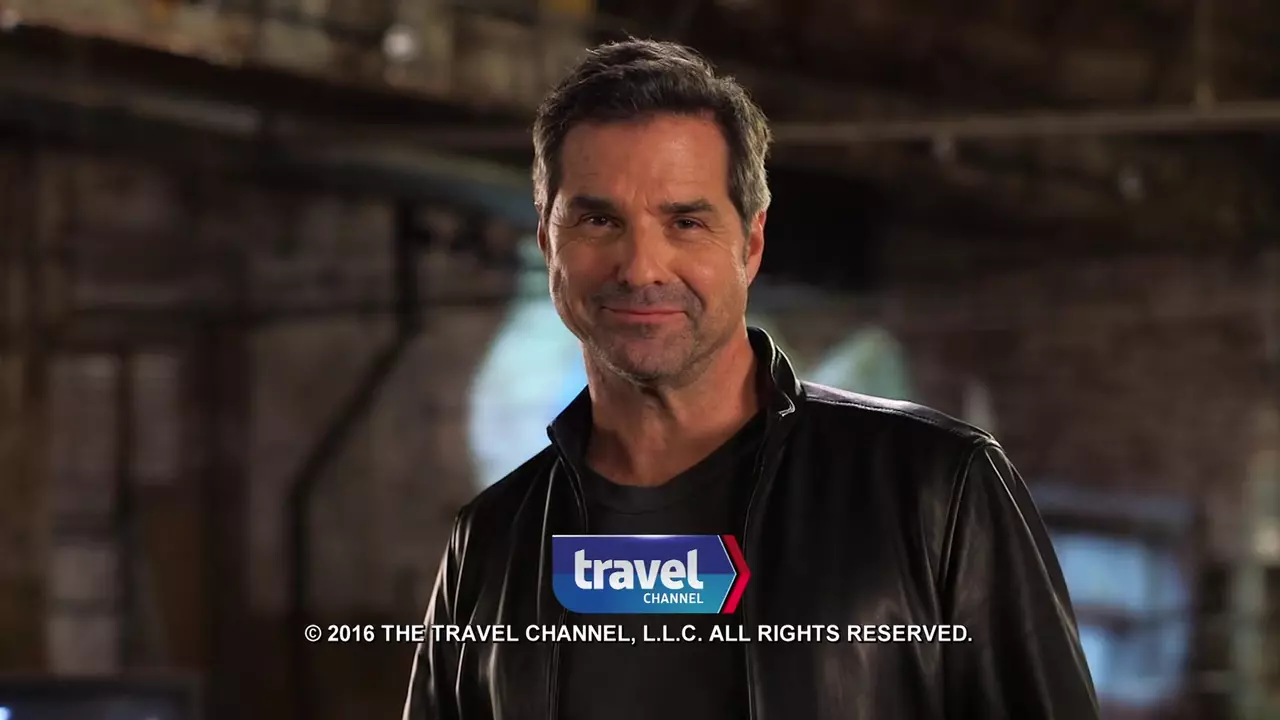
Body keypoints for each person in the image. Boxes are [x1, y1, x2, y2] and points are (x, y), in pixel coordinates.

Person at [403, 38, 1099, 720]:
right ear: (547, 241)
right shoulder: (491, 544)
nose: (641, 268)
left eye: (685, 222)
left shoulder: (937, 492)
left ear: (752, 242)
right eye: (598, 219)